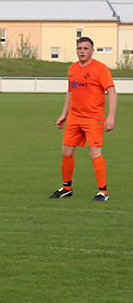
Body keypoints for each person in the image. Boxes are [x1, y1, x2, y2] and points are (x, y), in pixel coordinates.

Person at [49, 36, 117, 201]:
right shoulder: (72, 68)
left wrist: (111, 117)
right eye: (80, 48)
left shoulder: (100, 69)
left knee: (94, 151)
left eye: (86, 49)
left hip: (93, 118)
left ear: (92, 51)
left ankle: (102, 191)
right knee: (66, 150)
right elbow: (70, 92)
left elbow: (112, 92)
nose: (82, 52)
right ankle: (66, 188)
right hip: (74, 117)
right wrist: (64, 114)